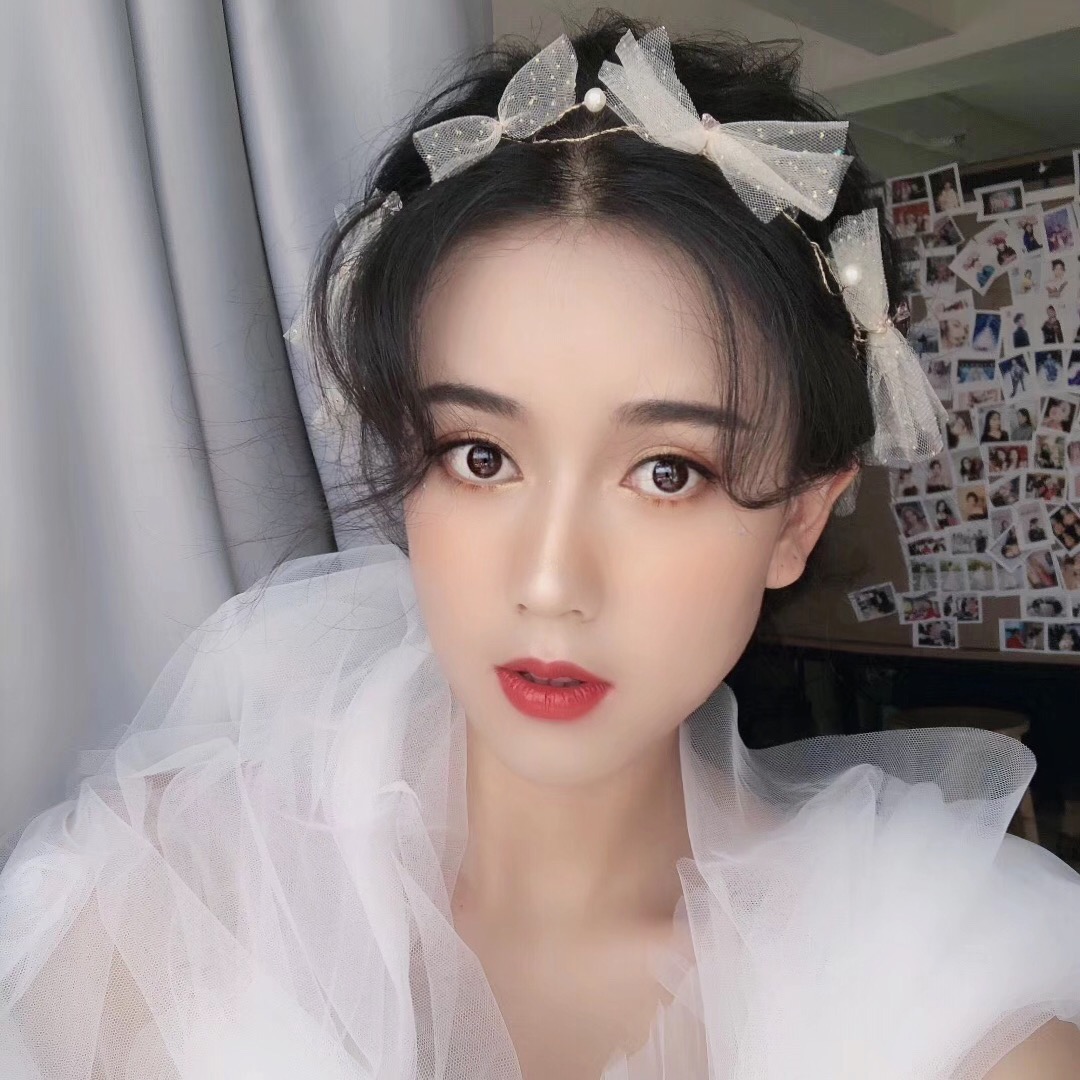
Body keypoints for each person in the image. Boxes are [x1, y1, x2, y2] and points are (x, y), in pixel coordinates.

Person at [1, 15, 1078, 1080]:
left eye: (668, 472)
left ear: (799, 519)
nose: (552, 581)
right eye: (480, 457)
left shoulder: (942, 1005)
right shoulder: (157, 918)